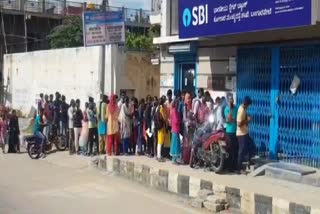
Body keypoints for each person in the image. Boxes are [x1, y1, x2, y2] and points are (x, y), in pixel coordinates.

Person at [236, 96, 255, 173]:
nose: (248, 106)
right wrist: (247, 120)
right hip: (241, 134)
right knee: (241, 151)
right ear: (246, 104)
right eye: (248, 105)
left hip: (245, 133)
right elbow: (239, 124)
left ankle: (250, 162)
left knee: (252, 146)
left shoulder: (243, 108)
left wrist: (247, 117)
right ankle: (239, 169)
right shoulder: (241, 111)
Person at [224, 96, 238, 171]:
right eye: (229, 100)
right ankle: (229, 166)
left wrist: (232, 119)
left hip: (235, 131)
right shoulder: (226, 109)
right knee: (229, 150)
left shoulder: (236, 108)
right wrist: (229, 109)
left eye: (232, 100)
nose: (231, 101)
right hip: (229, 132)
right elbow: (228, 120)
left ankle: (234, 166)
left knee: (235, 150)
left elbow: (236, 120)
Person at [182, 91, 196, 164]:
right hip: (186, 128)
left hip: (192, 128)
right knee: (186, 144)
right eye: (187, 98)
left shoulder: (192, 106)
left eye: (190, 98)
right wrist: (189, 122)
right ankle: (185, 159)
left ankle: (191, 160)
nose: (189, 100)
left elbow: (194, 116)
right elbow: (184, 118)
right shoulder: (184, 107)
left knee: (191, 143)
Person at [170, 99, 181, 164]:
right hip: (175, 129)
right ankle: (173, 159)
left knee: (176, 144)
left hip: (176, 129)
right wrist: (179, 121)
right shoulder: (174, 111)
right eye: (177, 103)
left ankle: (175, 158)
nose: (178, 104)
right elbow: (176, 120)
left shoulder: (176, 111)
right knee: (175, 144)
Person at [156, 96, 167, 162]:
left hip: (158, 126)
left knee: (159, 142)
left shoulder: (157, 107)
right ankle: (159, 156)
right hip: (161, 126)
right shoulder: (161, 108)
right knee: (160, 142)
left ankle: (158, 155)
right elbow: (164, 117)